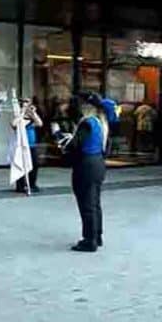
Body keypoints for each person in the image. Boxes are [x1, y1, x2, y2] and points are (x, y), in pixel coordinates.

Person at [63, 92, 109, 253]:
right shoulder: (100, 122)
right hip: (97, 163)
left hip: (86, 165)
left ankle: (89, 240)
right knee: (95, 202)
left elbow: (74, 145)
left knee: (86, 204)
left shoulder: (86, 123)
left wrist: (64, 142)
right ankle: (97, 235)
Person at [14, 97, 43, 193]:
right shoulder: (18, 116)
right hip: (22, 145)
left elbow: (40, 124)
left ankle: (32, 184)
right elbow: (13, 124)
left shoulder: (31, 117)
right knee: (22, 165)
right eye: (24, 102)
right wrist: (22, 112)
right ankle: (21, 185)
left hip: (32, 145)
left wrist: (33, 113)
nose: (26, 104)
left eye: (28, 102)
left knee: (34, 165)